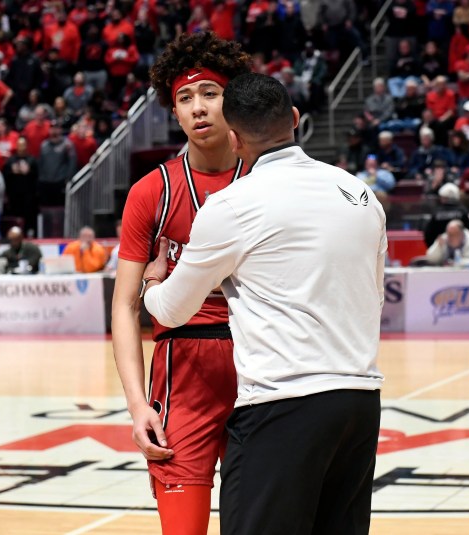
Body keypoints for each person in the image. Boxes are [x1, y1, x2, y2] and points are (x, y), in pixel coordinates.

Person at [142, 72, 385, 535]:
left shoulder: (234, 205)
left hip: (282, 405)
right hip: (360, 403)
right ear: (295, 119)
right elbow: (373, 293)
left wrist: (150, 285)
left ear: (234, 139)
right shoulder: (359, 193)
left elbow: (173, 310)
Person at [111, 32, 251, 535]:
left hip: (260, 367)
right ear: (174, 112)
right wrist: (136, 404)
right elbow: (126, 307)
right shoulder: (153, 190)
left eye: (210, 93)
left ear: (232, 98)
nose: (198, 107)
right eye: (184, 99)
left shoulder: (266, 180)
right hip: (181, 373)